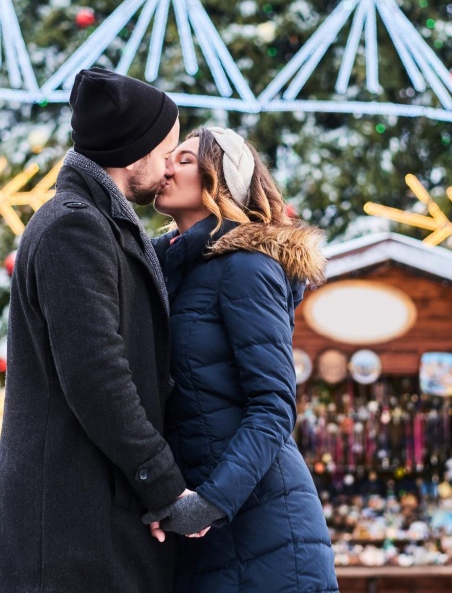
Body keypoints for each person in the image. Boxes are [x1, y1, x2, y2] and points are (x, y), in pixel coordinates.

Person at [0, 67, 194, 593]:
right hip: (67, 540)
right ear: (133, 151)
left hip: (86, 527)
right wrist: (164, 485)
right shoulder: (75, 227)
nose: (170, 166)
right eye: (167, 151)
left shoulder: (100, 224)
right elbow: (97, 375)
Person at [146, 126, 340, 592]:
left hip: (265, 530)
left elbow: (273, 405)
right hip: (204, 532)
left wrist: (212, 502)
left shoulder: (247, 266)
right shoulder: (172, 270)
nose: (167, 166)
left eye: (184, 160)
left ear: (220, 182)